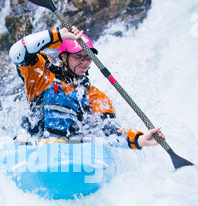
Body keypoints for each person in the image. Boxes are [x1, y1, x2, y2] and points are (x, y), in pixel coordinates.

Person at [9, 26, 165, 149]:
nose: (84, 61)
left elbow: (109, 129)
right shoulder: (42, 74)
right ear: (64, 57)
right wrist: (57, 35)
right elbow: (17, 52)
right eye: (78, 55)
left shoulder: (93, 95)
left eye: (88, 56)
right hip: (32, 147)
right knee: (58, 96)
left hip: (66, 153)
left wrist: (139, 139)